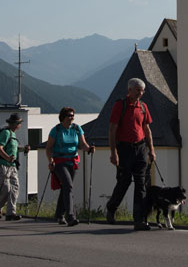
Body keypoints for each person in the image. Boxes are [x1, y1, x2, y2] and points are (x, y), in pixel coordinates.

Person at [106, 77, 156, 231]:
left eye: (142, 91)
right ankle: (111, 208)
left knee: (141, 184)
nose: (141, 93)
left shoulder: (143, 107)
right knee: (124, 181)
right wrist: (113, 152)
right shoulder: (120, 105)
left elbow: (147, 129)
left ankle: (139, 220)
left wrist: (151, 150)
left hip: (140, 148)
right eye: (138, 90)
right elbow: (112, 129)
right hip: (124, 149)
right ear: (130, 90)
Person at [45, 107, 95, 226]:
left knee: (66, 188)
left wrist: (89, 149)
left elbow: (82, 144)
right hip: (59, 161)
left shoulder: (77, 129)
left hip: (72, 161)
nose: (71, 117)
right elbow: (48, 148)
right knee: (68, 185)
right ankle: (70, 216)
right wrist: (51, 160)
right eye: (69, 115)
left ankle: (59, 215)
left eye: (72, 115)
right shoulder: (56, 130)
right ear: (63, 117)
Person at [0, 113, 28, 221]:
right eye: (19, 123)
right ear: (16, 124)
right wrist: (7, 158)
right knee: (5, 189)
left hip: (12, 165)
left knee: (14, 188)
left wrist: (23, 149)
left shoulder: (12, 134)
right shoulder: (6, 133)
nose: (20, 125)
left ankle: (11, 213)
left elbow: (13, 148)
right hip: (1, 164)